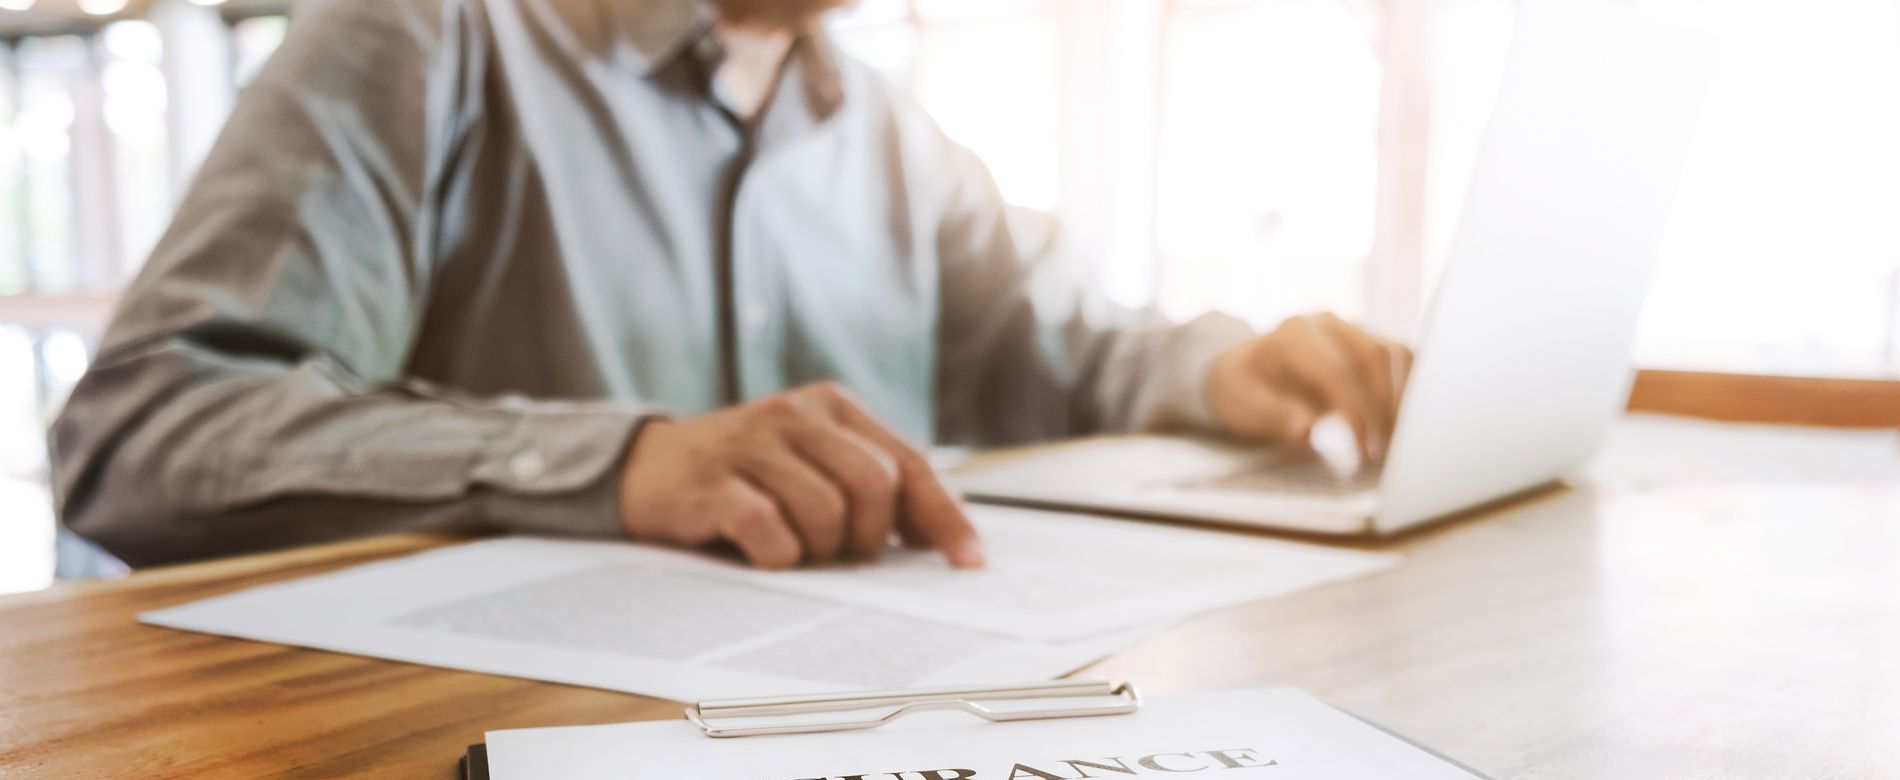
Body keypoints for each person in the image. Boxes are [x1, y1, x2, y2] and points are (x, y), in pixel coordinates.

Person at [52, 0, 1411, 571]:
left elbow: (1066, 349)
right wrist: (620, 461)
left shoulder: (886, 131)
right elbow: (141, 430)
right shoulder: (433, 36)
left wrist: (1222, 368)